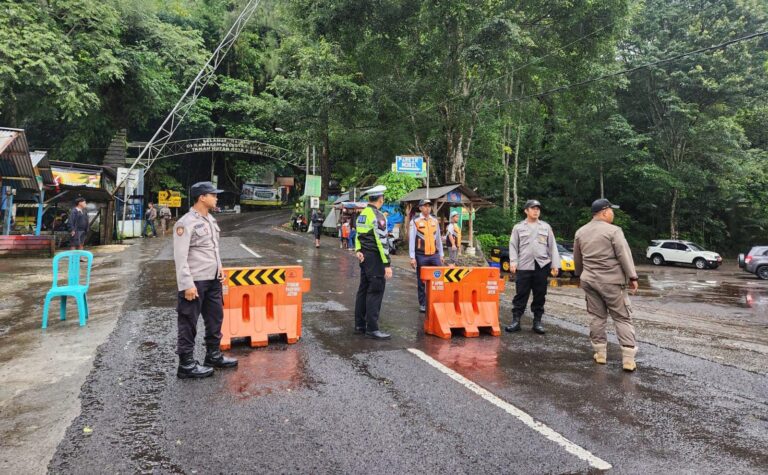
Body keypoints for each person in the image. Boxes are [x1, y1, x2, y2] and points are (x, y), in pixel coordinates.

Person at [173, 181, 238, 379]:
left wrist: (220, 268)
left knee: (215, 318)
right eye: (213, 194)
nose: (216, 197)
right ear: (202, 197)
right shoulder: (185, 223)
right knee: (188, 322)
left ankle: (213, 355)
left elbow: (212, 249)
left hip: (212, 279)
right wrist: (186, 284)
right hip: (195, 281)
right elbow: (180, 256)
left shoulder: (210, 220)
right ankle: (186, 364)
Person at [573, 198, 639, 371]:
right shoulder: (614, 231)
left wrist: (580, 275)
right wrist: (633, 277)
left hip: (589, 280)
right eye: (611, 211)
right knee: (622, 317)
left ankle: (600, 354)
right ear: (604, 212)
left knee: (597, 317)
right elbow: (624, 255)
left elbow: (577, 259)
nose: (613, 214)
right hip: (612, 282)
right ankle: (628, 359)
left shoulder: (581, 231)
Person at [506, 199, 560, 334]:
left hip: (541, 266)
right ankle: (516, 321)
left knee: (540, 295)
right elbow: (513, 245)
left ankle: (537, 322)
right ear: (526, 211)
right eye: (533, 208)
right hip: (524, 265)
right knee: (521, 294)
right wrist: (513, 262)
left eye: (538, 209)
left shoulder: (545, 227)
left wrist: (555, 264)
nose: (536, 211)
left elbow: (552, 246)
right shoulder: (518, 227)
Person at [354, 185, 393, 340]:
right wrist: (387, 264)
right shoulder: (378, 216)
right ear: (380, 199)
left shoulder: (362, 215)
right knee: (375, 291)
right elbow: (382, 242)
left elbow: (358, 235)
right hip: (375, 258)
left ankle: (359, 325)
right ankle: (372, 328)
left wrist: (358, 250)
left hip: (364, 257)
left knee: (363, 290)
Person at [409, 199, 445, 313]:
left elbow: (438, 238)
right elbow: (411, 240)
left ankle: (437, 300)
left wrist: (441, 254)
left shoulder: (434, 221)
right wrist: (412, 257)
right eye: (425, 206)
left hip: (434, 255)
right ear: (420, 208)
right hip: (421, 255)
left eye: (429, 206)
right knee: (421, 280)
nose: (427, 208)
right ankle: (423, 304)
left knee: (438, 278)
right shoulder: (415, 221)